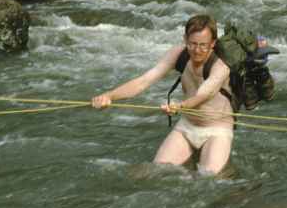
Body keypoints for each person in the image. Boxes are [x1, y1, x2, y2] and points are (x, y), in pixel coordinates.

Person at [91, 14, 234, 175]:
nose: (197, 50)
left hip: (217, 130)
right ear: (185, 39)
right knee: (156, 172)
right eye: (192, 44)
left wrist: (180, 106)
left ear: (213, 43)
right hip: (187, 126)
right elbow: (144, 81)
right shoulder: (178, 54)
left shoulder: (221, 67)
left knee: (210, 179)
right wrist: (109, 96)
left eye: (203, 45)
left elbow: (203, 95)